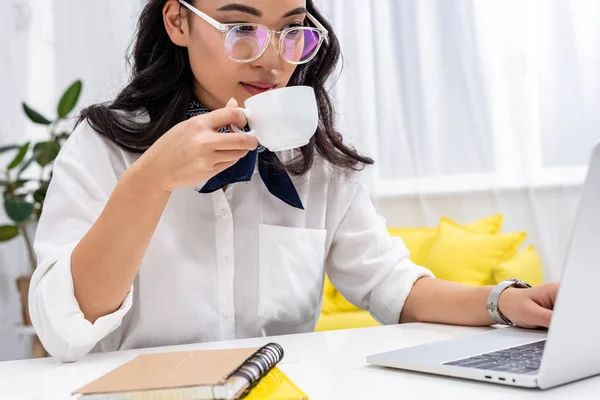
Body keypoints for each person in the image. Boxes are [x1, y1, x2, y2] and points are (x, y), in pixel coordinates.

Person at [29, 0, 558, 363]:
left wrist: (504, 302)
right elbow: (64, 329)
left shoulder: (317, 161)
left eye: (291, 29)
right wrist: (151, 181)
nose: (273, 57)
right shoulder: (105, 147)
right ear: (177, 22)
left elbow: (391, 285)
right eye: (242, 29)